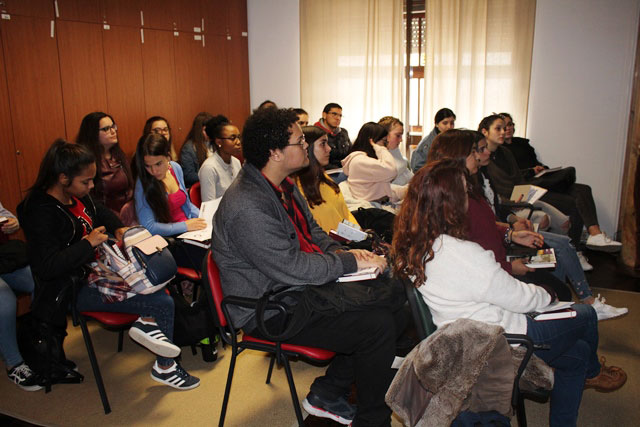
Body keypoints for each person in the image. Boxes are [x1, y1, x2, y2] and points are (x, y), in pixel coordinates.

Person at [391, 159, 627, 427]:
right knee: (585, 314)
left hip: (466, 336)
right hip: (502, 340)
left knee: (579, 352)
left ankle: (586, 373)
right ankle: (594, 372)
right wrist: (547, 295)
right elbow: (517, 297)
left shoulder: (416, 244)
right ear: (450, 202)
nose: (468, 198)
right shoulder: (460, 253)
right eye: (463, 192)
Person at [212, 107, 399, 426]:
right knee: (377, 326)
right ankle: (371, 417)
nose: (306, 146)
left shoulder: (282, 185)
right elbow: (293, 268)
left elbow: (313, 233)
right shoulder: (247, 206)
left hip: (293, 289)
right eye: (300, 141)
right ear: (275, 153)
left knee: (393, 293)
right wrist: (347, 261)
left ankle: (330, 390)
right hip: (268, 309)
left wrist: (348, 255)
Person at [18, 140, 199, 390]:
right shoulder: (40, 211)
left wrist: (118, 227)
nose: (91, 186)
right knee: (162, 301)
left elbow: (100, 211)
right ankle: (166, 367)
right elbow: (46, 267)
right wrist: (88, 244)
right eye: (86, 181)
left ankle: (147, 324)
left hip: (100, 271)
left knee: (155, 280)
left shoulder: (75, 196)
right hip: (73, 287)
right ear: (62, 178)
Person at [432, 129, 628, 320]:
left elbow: (488, 224)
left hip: (499, 258)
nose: (481, 155)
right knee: (559, 259)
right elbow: (472, 254)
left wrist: (511, 234)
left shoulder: (473, 185)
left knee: (555, 262)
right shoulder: (453, 200)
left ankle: (562, 310)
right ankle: (577, 305)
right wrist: (509, 265)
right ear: (458, 158)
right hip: (495, 273)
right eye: (474, 152)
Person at [479, 114, 622, 252]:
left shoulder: (509, 151)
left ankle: (578, 247)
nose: (504, 131)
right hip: (511, 202)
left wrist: (526, 189)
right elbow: (491, 194)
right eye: (499, 128)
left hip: (525, 193)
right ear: (485, 132)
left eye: (507, 127)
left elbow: (518, 179)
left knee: (580, 194)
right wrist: (512, 203)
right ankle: (569, 252)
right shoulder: (482, 159)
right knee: (549, 217)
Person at [133, 133, 207, 269]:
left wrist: (203, 217)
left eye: (158, 164)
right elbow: (149, 227)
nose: (154, 171)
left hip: (188, 231)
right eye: (148, 166)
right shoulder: (142, 184)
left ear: (168, 156)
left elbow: (186, 204)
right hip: (168, 240)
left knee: (224, 247)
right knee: (210, 260)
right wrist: (185, 226)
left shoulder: (175, 168)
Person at [0, 201, 40, 391]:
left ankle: (38, 345)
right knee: (4, 297)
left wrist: (12, 222)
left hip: (2, 258)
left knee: (39, 280)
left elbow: (4, 214)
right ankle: (13, 362)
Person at [293, 126, 360, 234]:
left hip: (346, 241)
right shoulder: (297, 188)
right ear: (307, 148)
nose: (329, 148)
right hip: (326, 246)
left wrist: (360, 235)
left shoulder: (327, 180)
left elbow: (346, 215)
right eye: (323, 143)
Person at [75, 112, 134, 217]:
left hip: (130, 213)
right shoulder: (85, 162)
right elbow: (90, 199)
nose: (113, 131)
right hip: (105, 218)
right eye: (106, 129)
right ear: (92, 133)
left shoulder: (119, 155)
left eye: (113, 127)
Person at [341, 122, 407, 208]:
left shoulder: (365, 159)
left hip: (379, 203)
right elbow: (391, 171)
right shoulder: (359, 161)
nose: (386, 146)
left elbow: (384, 188)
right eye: (384, 142)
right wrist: (381, 149)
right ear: (372, 141)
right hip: (372, 207)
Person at [198, 115, 242, 202]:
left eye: (238, 137)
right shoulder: (209, 168)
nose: (238, 142)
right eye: (232, 138)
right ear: (219, 142)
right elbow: (209, 205)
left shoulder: (236, 162)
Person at [410, 107, 455, 172]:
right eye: (445, 123)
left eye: (452, 123)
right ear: (436, 124)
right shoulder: (428, 143)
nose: (449, 127)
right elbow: (417, 168)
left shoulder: (450, 137)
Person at [178, 112, 214, 188]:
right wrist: (210, 175)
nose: (210, 133)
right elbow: (188, 176)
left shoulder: (215, 143)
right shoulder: (189, 148)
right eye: (206, 130)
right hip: (198, 187)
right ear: (199, 130)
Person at [314, 103, 352, 170]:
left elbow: (351, 153)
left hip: (345, 170)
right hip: (325, 172)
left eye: (340, 115)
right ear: (324, 115)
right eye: (334, 114)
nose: (338, 118)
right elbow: (315, 160)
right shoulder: (315, 133)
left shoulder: (343, 132)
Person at [378, 116, 413, 186]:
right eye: (398, 135)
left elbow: (405, 171)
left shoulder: (394, 149)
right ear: (385, 135)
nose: (401, 140)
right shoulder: (376, 157)